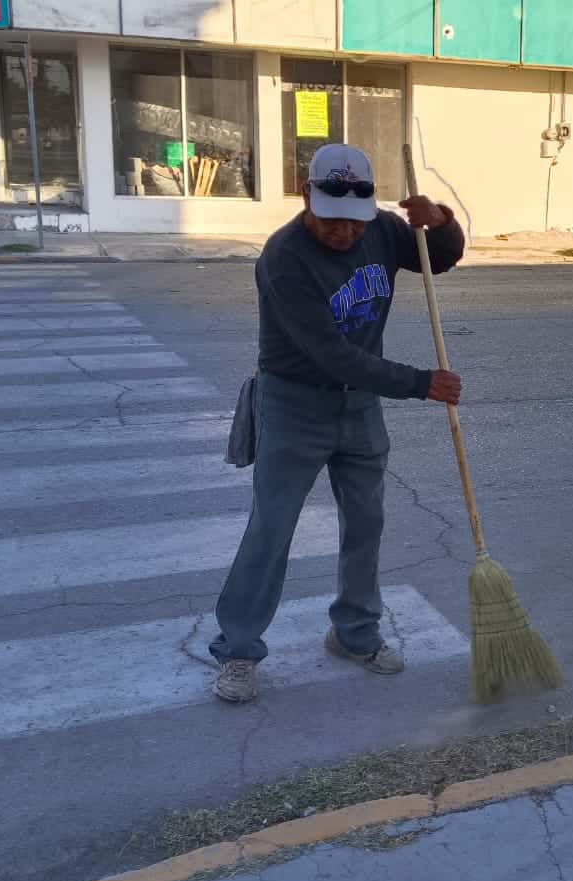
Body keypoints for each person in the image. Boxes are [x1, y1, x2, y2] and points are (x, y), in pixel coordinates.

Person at [211, 143, 467, 704]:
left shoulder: (381, 229)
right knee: (272, 528)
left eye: (355, 221)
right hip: (294, 404)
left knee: (366, 522)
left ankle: (355, 632)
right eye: (332, 220)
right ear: (307, 195)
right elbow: (330, 354)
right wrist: (420, 383)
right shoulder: (283, 257)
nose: (345, 233)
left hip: (360, 406)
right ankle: (238, 649)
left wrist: (440, 221)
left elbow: (441, 259)